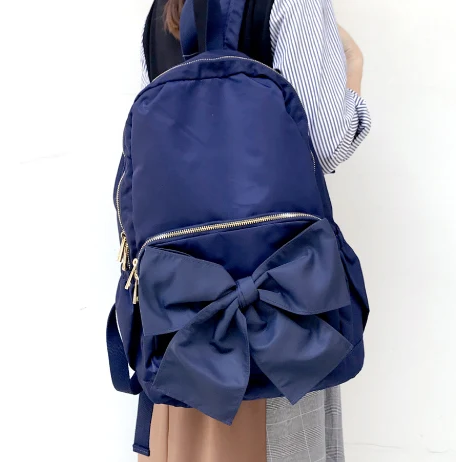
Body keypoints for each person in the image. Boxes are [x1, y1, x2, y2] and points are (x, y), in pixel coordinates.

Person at [137, 0, 371, 461]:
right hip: (279, 320)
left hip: (180, 321)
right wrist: (355, 65)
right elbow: (328, 142)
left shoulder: (160, 12)